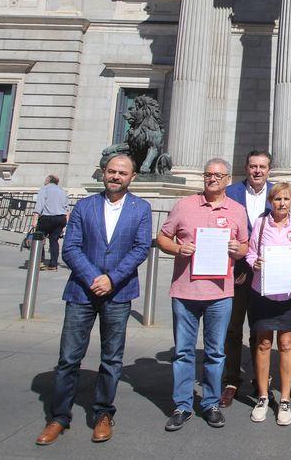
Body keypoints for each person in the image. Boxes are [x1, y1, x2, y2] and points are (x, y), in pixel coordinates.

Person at [36, 154, 151, 446]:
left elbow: (140, 249)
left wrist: (112, 278)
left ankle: (102, 413)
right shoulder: (84, 206)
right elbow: (70, 248)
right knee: (68, 358)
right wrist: (93, 277)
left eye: (122, 173)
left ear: (132, 177)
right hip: (82, 291)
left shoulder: (142, 208)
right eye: (111, 171)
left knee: (112, 359)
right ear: (103, 173)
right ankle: (59, 416)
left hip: (119, 292)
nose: (116, 176)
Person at [156, 158, 249, 432]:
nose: (213, 179)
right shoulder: (184, 205)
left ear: (227, 179)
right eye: (209, 174)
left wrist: (237, 249)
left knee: (215, 352)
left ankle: (210, 403)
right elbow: (163, 238)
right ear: (203, 177)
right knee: (183, 352)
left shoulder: (237, 210)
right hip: (185, 291)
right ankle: (182, 405)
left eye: (219, 175)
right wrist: (177, 249)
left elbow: (245, 246)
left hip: (220, 293)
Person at [245, 183, 291, 426]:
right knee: (263, 343)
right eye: (277, 199)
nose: (282, 203)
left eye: (286, 199)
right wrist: (255, 263)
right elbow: (250, 253)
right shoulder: (261, 224)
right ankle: (263, 396)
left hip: (287, 293)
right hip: (262, 291)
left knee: (285, 343)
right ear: (270, 201)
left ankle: (284, 399)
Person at [220, 149, 274, 407]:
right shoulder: (231, 193)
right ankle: (231, 379)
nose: (257, 171)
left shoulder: (277, 194)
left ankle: (260, 379)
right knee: (233, 327)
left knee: (261, 327)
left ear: (269, 170)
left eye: (262, 167)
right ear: (246, 167)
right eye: (253, 166)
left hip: (267, 271)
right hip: (238, 270)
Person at [34, 174, 69, 271]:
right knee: (54, 240)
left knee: (39, 238)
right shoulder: (62, 191)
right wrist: (66, 222)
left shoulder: (44, 189)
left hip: (47, 217)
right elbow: (67, 208)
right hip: (60, 218)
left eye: (46, 179)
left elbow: (39, 205)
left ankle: (39, 261)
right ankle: (53, 264)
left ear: (49, 180)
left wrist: (35, 219)